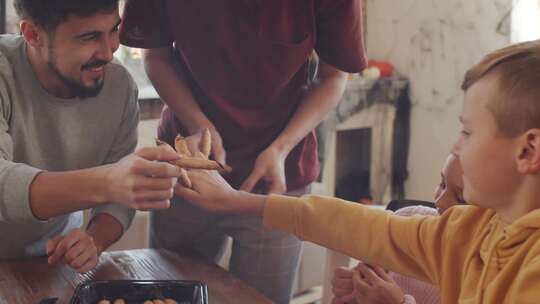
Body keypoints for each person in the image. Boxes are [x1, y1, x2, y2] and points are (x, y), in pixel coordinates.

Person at [174, 40, 540, 303]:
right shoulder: (474, 229)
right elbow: (363, 225)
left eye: (468, 132)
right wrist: (237, 202)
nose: (457, 147)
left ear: (528, 151)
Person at [119, 1, 367, 302]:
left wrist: (281, 147)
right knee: (169, 294)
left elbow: (334, 76)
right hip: (188, 169)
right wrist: (198, 124)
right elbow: (156, 57)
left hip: (277, 180)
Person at [0, 0, 182, 273]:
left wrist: (94, 240)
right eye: (89, 37)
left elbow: (117, 200)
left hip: (50, 263)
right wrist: (110, 181)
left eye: (113, 31)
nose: (109, 52)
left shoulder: (118, 86)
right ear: (32, 35)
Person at [331, 153, 465, 304]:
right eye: (442, 184)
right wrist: (354, 291)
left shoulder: (487, 276)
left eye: (460, 198)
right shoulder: (408, 216)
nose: (439, 201)